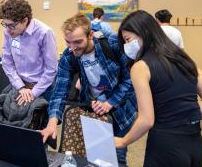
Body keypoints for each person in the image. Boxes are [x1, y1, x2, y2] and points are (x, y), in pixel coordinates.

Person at [115, 10, 202, 167]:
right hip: (194, 143)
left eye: (127, 39)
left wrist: (123, 141)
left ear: (143, 33)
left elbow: (146, 120)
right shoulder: (184, 59)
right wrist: (185, 108)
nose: (126, 46)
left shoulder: (141, 67)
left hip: (166, 144)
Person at [40, 14, 137, 165]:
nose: (72, 47)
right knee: (94, 157)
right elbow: (60, 90)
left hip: (121, 112)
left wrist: (110, 102)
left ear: (90, 34)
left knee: (116, 159)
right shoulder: (69, 56)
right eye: (68, 42)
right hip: (94, 112)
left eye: (77, 42)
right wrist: (52, 122)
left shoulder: (112, 44)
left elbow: (131, 79)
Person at [0, 0, 58, 105]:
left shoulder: (44, 33)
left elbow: (51, 69)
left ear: (25, 20)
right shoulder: (8, 32)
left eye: (11, 25)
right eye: (5, 25)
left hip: (43, 88)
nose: (7, 30)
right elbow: (7, 62)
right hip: (20, 85)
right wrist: (20, 87)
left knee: (41, 120)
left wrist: (33, 93)